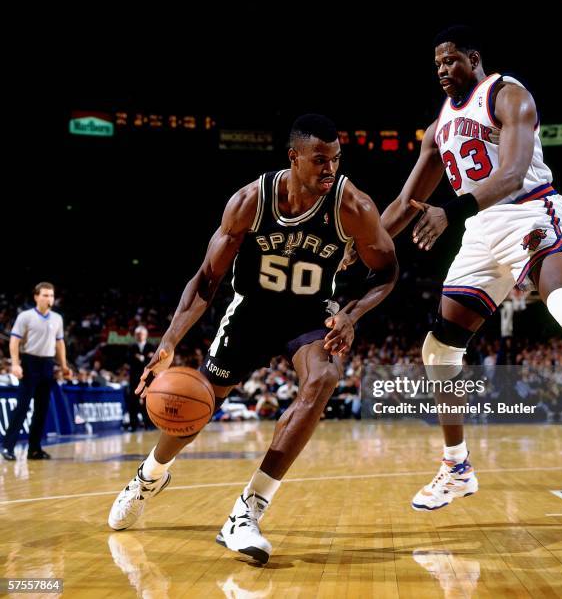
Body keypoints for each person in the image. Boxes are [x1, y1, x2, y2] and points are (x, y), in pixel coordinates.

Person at [107, 114, 398, 564]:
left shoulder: (352, 205)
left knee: (323, 379)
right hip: (252, 313)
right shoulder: (250, 201)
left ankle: (248, 510)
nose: (330, 169)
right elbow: (206, 281)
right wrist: (168, 342)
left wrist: (351, 314)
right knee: (196, 406)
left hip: (308, 316)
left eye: (336, 160)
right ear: (294, 158)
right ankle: (150, 474)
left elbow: (387, 272)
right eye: (320, 160)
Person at [378, 25, 562, 511]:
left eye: (450, 61)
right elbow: (407, 201)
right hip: (481, 231)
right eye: (436, 65)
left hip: (530, 211)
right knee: (438, 351)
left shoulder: (508, 95)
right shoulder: (440, 126)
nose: (442, 71)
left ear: (473, 58)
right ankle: (456, 468)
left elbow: (510, 172)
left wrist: (450, 211)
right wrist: (360, 248)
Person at [2, 282, 73, 461]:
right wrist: (16, 364)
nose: (49, 299)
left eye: (51, 295)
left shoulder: (57, 318)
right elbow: (14, 341)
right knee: (22, 407)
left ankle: (34, 449)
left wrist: (64, 366)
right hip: (29, 361)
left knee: (42, 409)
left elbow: (60, 343)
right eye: (45, 295)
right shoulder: (25, 316)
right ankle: (8, 447)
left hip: (47, 364)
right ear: (36, 297)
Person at [126, 326, 155, 430]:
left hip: (147, 378)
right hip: (134, 379)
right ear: (135, 335)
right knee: (133, 401)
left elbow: (153, 361)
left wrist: (141, 357)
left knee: (148, 400)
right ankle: (133, 424)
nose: (139, 336)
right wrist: (145, 357)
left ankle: (149, 423)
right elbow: (129, 360)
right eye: (137, 334)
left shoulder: (151, 346)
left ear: (146, 335)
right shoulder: (131, 347)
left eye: (141, 334)